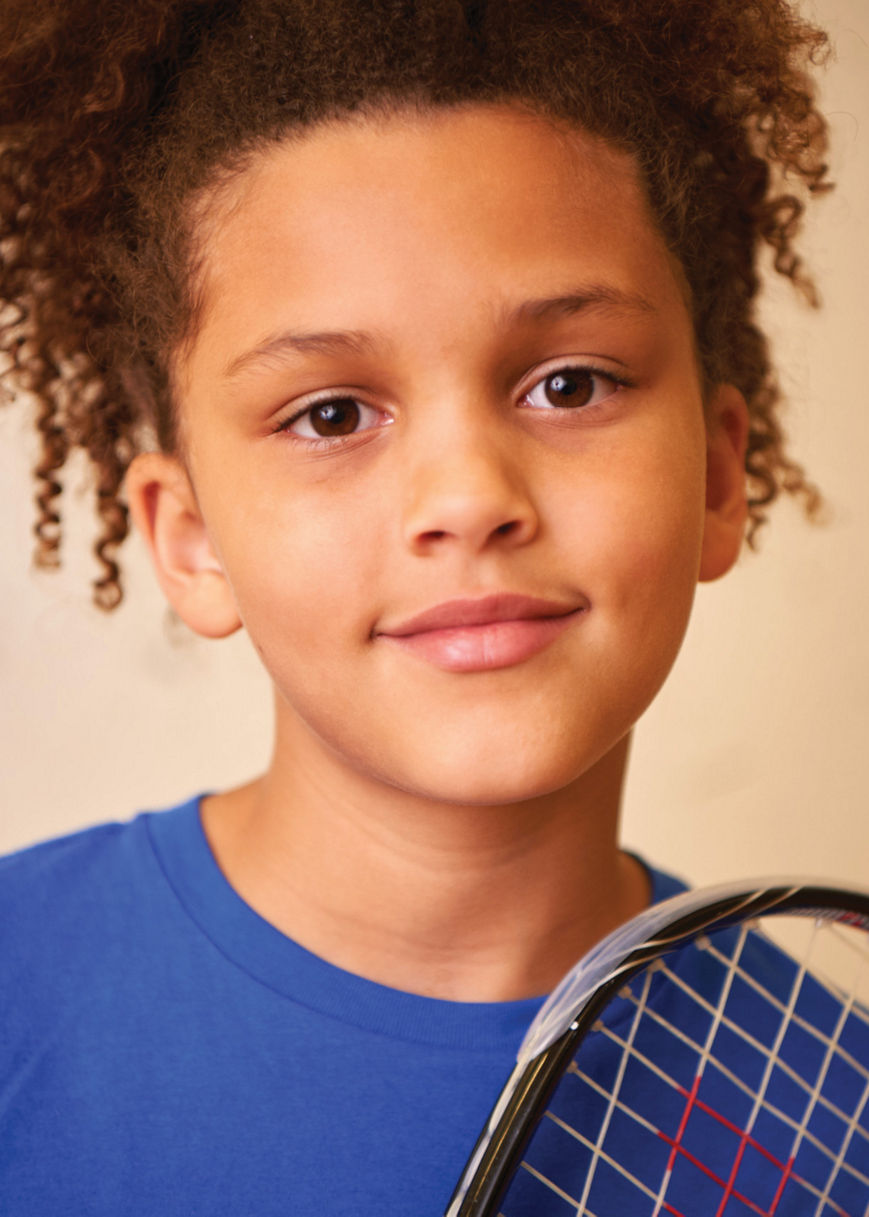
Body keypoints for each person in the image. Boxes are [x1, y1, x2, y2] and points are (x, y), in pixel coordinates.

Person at [0, 1, 840, 1213]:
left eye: (568, 383)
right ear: (188, 540)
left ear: (717, 479)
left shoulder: (829, 1100)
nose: (468, 499)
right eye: (331, 413)